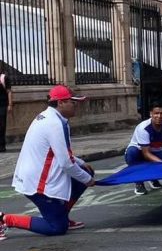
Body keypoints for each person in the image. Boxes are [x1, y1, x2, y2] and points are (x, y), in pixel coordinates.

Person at [1, 85, 95, 241]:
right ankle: (5, 219)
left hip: (37, 175)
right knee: (56, 228)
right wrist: (88, 180)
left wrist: (81, 163)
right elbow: (65, 163)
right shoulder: (54, 124)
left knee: (86, 170)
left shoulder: (50, 117)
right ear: (61, 103)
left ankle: (62, 216)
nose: (76, 105)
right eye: (72, 102)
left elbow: (61, 152)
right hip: (38, 183)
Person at [125, 103, 162, 196]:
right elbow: (146, 153)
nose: (159, 116)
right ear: (151, 114)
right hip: (140, 152)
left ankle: (153, 177)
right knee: (131, 153)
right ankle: (139, 182)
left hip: (155, 152)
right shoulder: (143, 128)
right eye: (156, 113)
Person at [0, 67, 13, 152]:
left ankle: (2, 146)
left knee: (1, 126)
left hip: (2, 105)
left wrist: (10, 104)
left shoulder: (4, 78)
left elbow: (9, 92)